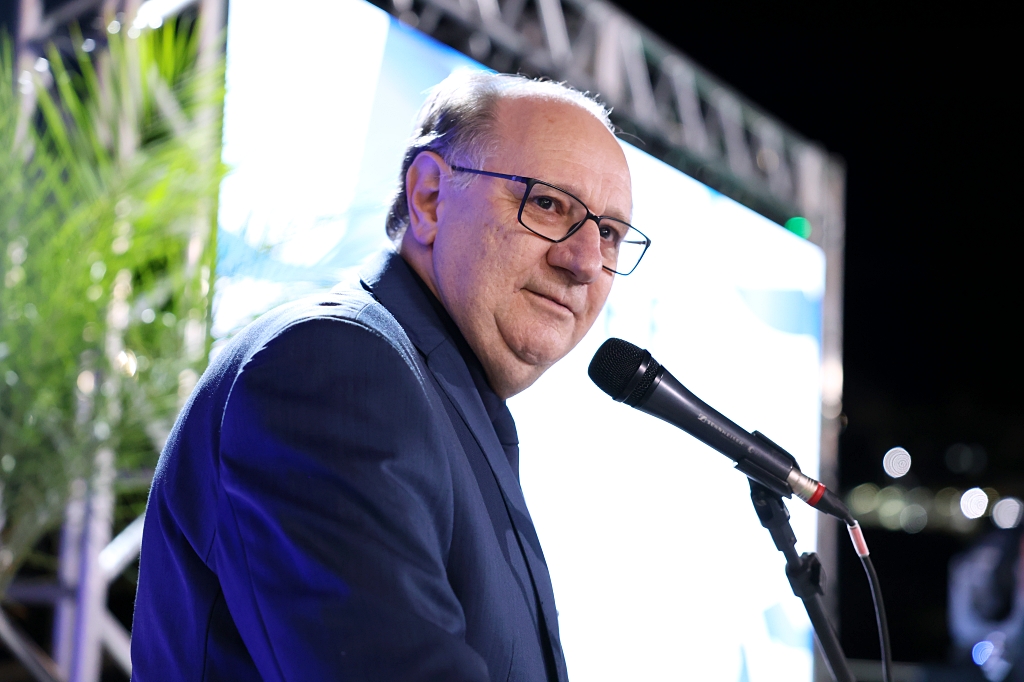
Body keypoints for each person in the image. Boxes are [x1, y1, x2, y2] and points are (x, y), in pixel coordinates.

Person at [130, 71, 647, 681]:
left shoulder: (451, 405)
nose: (585, 261)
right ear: (429, 197)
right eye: (548, 204)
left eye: (609, 233)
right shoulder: (334, 365)